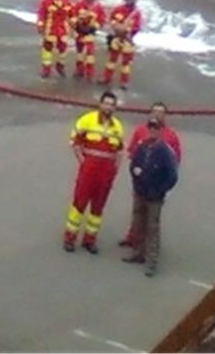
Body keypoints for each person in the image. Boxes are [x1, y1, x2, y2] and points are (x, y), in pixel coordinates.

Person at [64, 89, 125, 254]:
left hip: (106, 175)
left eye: (112, 105)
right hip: (89, 171)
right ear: (100, 104)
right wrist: (83, 162)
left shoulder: (118, 127)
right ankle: (70, 238)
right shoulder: (87, 120)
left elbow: (119, 151)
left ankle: (89, 240)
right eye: (106, 103)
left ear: (115, 108)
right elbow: (75, 141)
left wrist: (115, 170)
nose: (108, 107)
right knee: (79, 204)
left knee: (98, 208)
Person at [120, 102, 183, 249]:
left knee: (152, 217)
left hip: (157, 184)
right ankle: (133, 238)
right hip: (141, 181)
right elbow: (132, 152)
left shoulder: (171, 136)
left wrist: (164, 186)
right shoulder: (141, 130)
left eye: (160, 112)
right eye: (154, 111)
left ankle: (148, 247)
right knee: (137, 212)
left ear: (165, 115)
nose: (157, 114)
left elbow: (176, 160)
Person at [123, 116, 179, 276]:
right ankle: (137, 254)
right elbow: (133, 164)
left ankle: (151, 262)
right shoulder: (142, 147)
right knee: (138, 223)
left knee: (153, 228)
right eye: (151, 127)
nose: (153, 130)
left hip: (155, 197)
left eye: (156, 128)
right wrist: (136, 180)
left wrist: (160, 190)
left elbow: (172, 176)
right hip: (140, 193)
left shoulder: (165, 152)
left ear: (161, 131)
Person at [101, 0, 143, 90]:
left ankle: (124, 82)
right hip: (116, 38)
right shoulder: (118, 9)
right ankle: (107, 78)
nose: (129, 0)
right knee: (111, 60)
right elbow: (112, 19)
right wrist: (117, 27)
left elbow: (137, 27)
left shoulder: (137, 13)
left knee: (126, 63)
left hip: (127, 40)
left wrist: (128, 31)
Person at [36, 0, 74, 78]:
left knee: (63, 49)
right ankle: (46, 69)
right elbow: (41, 13)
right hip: (50, 28)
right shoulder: (46, 1)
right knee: (47, 48)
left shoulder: (67, 1)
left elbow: (71, 14)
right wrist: (40, 24)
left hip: (62, 29)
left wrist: (74, 24)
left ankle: (60, 66)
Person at [72, 0, 107, 80]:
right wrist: (76, 25)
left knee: (90, 54)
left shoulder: (98, 7)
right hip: (80, 32)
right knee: (79, 53)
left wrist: (94, 27)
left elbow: (102, 20)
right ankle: (79, 71)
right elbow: (73, 16)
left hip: (90, 33)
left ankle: (89, 73)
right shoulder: (79, 4)